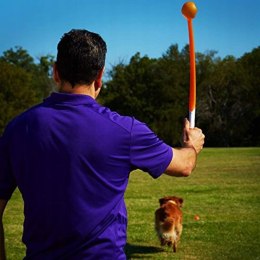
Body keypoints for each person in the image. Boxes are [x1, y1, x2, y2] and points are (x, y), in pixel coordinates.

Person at [0, 29, 205, 259]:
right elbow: (184, 165)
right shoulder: (125, 130)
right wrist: (192, 144)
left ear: (56, 72)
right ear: (100, 76)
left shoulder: (18, 129)